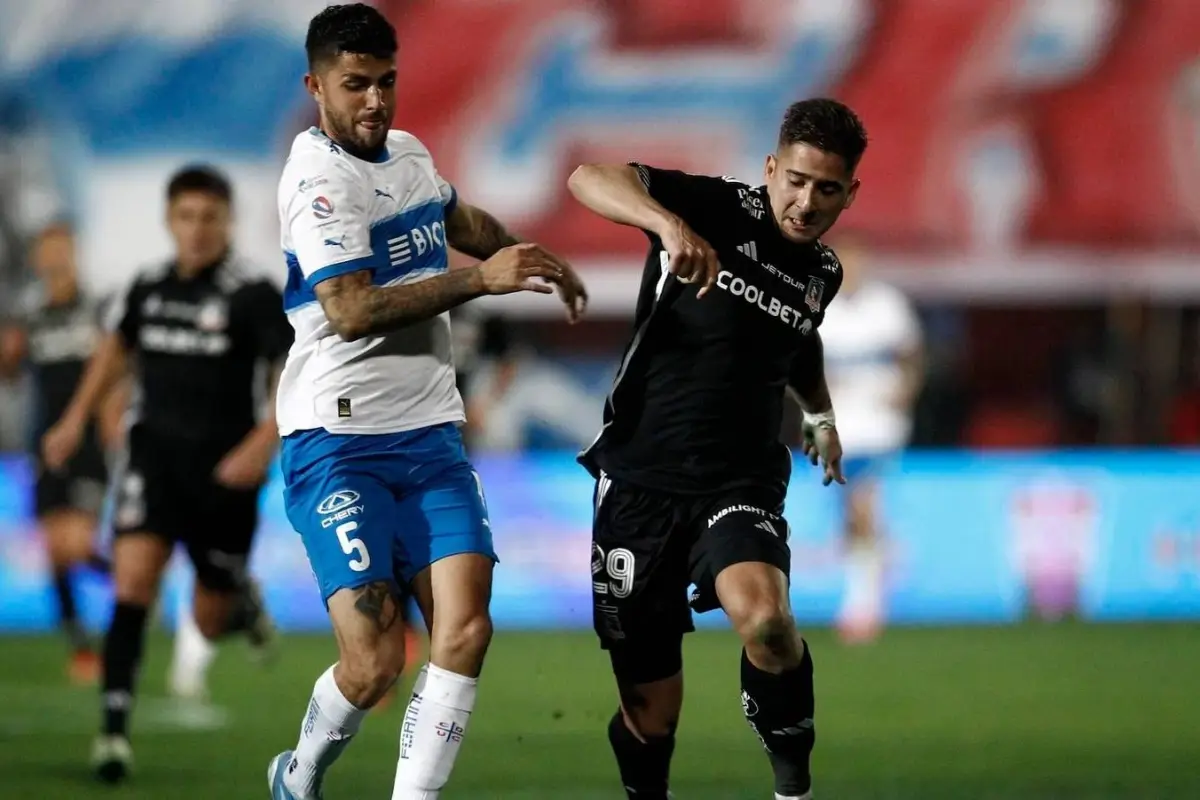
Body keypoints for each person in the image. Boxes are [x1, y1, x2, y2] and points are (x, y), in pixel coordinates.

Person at [265, 6, 586, 800]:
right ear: (316, 87)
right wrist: (482, 279)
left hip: (431, 437)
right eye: (355, 85)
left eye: (386, 82)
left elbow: (458, 219)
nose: (375, 101)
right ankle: (298, 772)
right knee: (374, 665)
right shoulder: (318, 185)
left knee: (466, 628)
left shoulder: (406, 153)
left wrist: (527, 257)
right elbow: (347, 309)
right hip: (337, 442)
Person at [568, 97, 868, 800]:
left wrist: (819, 414)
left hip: (740, 480)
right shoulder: (712, 207)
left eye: (827, 189)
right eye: (795, 179)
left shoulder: (822, 272)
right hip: (639, 480)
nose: (805, 201)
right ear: (771, 168)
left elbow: (796, 339)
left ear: (850, 193)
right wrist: (667, 226)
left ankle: (793, 788)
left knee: (766, 622)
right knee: (652, 712)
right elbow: (588, 176)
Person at [42, 165, 290, 783]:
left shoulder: (252, 293)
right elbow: (113, 350)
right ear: (169, 220)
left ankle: (239, 602)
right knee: (132, 586)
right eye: (187, 217)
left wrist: (266, 441)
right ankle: (113, 735)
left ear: (228, 222)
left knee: (208, 617)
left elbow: (289, 372)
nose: (198, 230)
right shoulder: (147, 288)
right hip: (152, 460)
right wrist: (74, 419)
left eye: (210, 217)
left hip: (226, 475)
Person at [0, 222, 123, 683]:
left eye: (62, 249)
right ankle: (80, 645)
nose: (55, 258)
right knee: (55, 550)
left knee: (76, 544)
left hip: (87, 443)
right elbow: (11, 375)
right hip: (44, 444)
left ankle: (130, 581)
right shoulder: (28, 316)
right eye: (47, 250)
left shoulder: (96, 309)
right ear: (36, 259)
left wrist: (112, 418)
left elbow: (116, 368)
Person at [816, 236, 923, 643]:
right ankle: (868, 584)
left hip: (879, 423)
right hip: (840, 425)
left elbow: (912, 356)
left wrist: (905, 392)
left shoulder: (887, 306)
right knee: (850, 515)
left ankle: (863, 606)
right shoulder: (819, 309)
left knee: (864, 502)